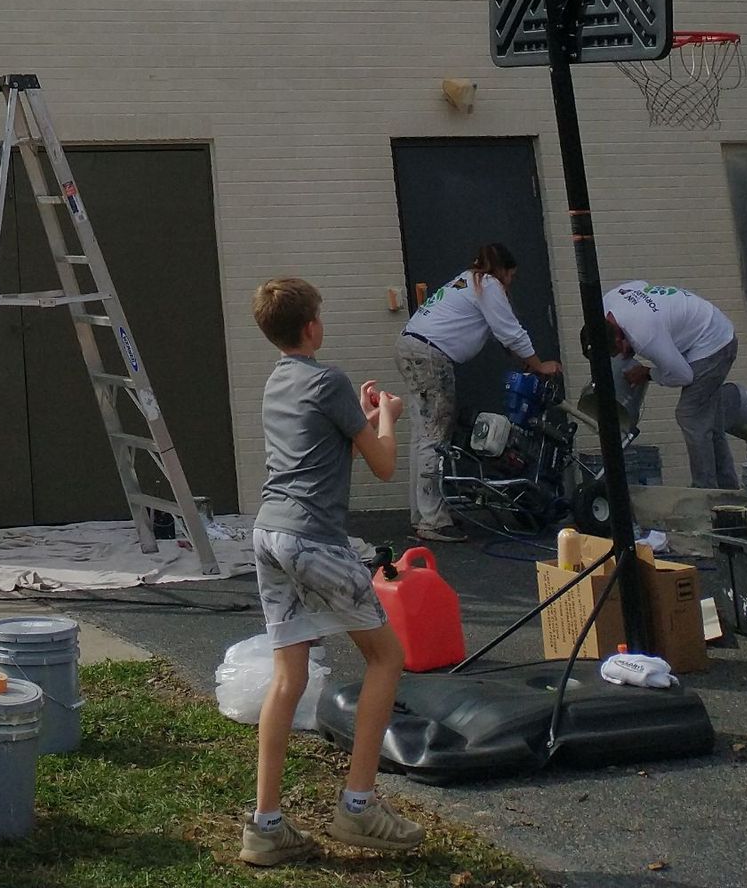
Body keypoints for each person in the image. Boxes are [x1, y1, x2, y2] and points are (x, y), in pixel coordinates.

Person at [240, 276, 425, 866]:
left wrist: (361, 419)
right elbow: (384, 464)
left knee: (288, 677)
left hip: (268, 535)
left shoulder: (278, 381)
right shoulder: (329, 379)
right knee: (386, 658)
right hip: (311, 539)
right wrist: (387, 416)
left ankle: (265, 826)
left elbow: (323, 448)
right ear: (311, 326)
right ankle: (358, 806)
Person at [397, 244, 561, 539]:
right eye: (511, 276)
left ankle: (423, 514)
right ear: (503, 271)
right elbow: (511, 332)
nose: (510, 283)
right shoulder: (488, 285)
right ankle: (433, 521)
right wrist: (539, 366)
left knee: (422, 435)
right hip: (431, 357)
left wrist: (522, 361)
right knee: (435, 437)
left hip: (412, 347)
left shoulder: (466, 281)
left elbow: (501, 335)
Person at [603, 280, 740, 489]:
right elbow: (641, 284)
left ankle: (705, 491)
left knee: (689, 415)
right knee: (709, 421)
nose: (623, 355)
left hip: (713, 344)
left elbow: (683, 376)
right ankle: (728, 489)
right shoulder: (608, 302)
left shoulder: (644, 335)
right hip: (710, 324)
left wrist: (648, 373)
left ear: (618, 335)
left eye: (619, 349)